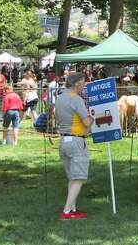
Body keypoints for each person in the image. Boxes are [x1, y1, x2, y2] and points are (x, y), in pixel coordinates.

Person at [54, 72, 93, 220]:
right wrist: (94, 117)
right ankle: (66, 211)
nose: (84, 86)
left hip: (63, 140)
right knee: (78, 178)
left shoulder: (60, 98)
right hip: (76, 141)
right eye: (83, 84)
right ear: (77, 84)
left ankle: (72, 210)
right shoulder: (76, 99)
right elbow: (86, 122)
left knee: (72, 177)